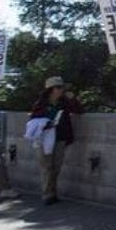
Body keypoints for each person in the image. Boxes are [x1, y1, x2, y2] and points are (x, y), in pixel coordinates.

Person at [29, 77, 83, 205]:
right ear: (50, 90)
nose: (61, 90)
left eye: (62, 87)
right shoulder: (41, 104)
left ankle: (53, 192)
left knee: (56, 167)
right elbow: (33, 121)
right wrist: (47, 123)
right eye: (58, 87)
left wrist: (73, 99)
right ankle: (47, 194)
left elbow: (80, 111)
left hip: (60, 137)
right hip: (45, 138)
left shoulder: (64, 102)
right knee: (47, 167)